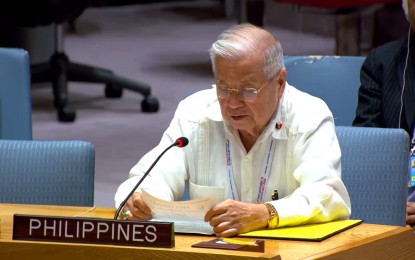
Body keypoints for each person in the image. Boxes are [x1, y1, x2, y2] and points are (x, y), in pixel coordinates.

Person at [115, 23, 351, 237]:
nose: (233, 103)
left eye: (248, 90)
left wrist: (266, 213)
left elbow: (327, 195)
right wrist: (142, 201)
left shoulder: (309, 116)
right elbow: (150, 179)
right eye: (224, 88)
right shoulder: (195, 113)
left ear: (279, 83)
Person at [353, 0, 415, 227]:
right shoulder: (382, 63)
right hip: (394, 212)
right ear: (406, 7)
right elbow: (366, 148)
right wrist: (388, 203)